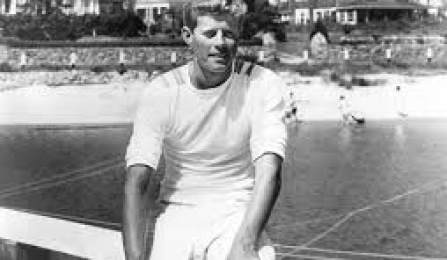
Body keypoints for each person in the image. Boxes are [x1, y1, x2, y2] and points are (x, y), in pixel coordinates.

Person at [122, 0, 288, 259]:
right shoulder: (162, 92)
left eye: (229, 34)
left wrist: (244, 246)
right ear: (188, 36)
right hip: (175, 211)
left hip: (237, 211)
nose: (220, 43)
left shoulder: (263, 84)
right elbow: (138, 181)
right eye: (210, 34)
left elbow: (270, 172)